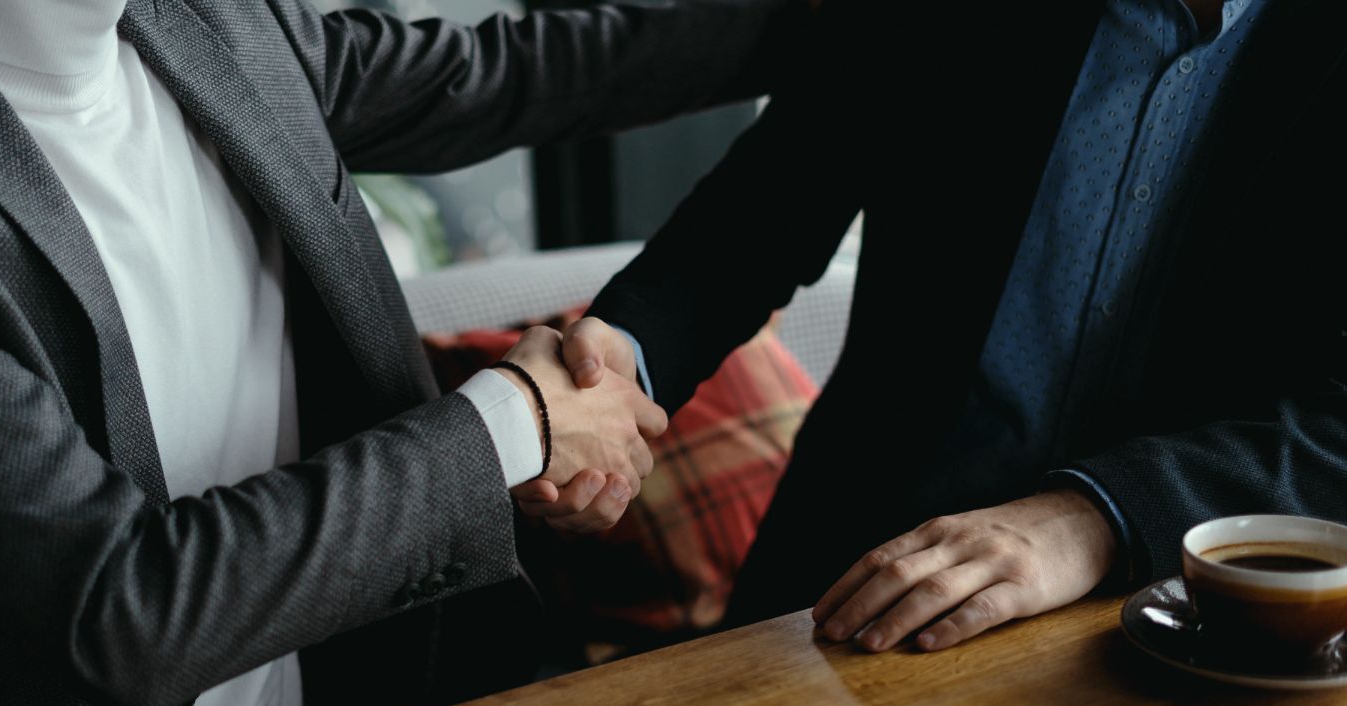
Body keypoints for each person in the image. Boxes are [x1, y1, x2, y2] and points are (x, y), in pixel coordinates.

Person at [0, 0, 808, 706]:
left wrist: (846, 21)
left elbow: (510, 73)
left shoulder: (212, 25)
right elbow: (125, 608)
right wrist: (519, 421)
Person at [528, 0, 1347, 650]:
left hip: (1199, 630)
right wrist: (620, 364)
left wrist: (1096, 516)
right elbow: (762, 212)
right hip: (851, 584)